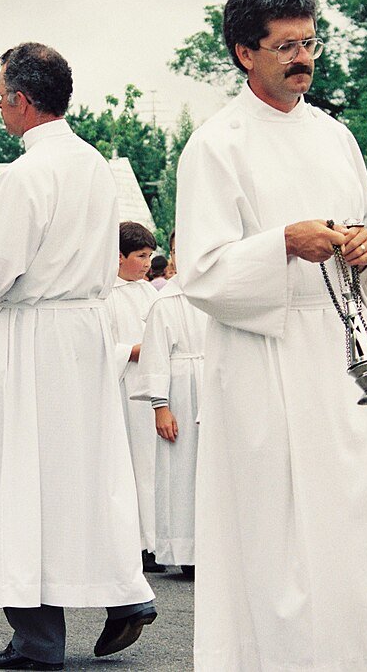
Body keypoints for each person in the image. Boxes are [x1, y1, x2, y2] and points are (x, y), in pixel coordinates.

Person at [175, 0, 367, 669]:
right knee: (282, 538)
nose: (303, 58)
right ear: (242, 52)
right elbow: (199, 271)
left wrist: (365, 248)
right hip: (268, 357)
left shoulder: (334, 135)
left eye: (310, 42)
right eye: (285, 45)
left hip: (346, 355)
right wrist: (282, 241)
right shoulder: (216, 145)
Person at [0, 42, 156, 670]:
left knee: (23, 478)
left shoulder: (25, 175)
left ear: (20, 100)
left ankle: (38, 638)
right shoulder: (95, 164)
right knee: (90, 474)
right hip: (87, 332)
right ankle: (125, 593)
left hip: (36, 337)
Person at [133, 231, 203, 576]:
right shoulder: (165, 303)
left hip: (214, 386)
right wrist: (161, 405)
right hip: (182, 393)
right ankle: (186, 549)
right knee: (183, 470)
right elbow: (156, 356)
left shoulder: (217, 296)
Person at [105, 221, 161, 574]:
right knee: (132, 467)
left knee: (155, 467)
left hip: (153, 391)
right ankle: (136, 543)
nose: (146, 264)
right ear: (120, 256)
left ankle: (159, 539)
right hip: (124, 390)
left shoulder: (152, 294)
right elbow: (100, 348)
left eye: (149, 256)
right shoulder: (104, 296)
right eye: (140, 256)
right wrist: (131, 351)